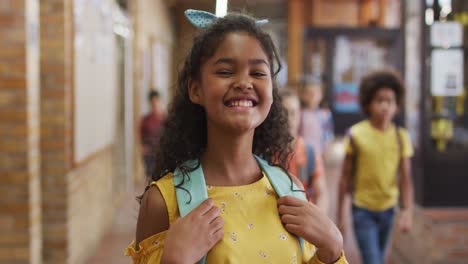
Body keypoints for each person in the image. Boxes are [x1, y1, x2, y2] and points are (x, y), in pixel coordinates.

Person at [126, 10, 347, 264]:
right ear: (195, 89)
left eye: (258, 73)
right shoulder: (163, 202)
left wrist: (331, 251)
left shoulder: (289, 189)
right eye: (225, 71)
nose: (244, 82)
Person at [337, 70, 414, 264]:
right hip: (363, 210)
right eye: (380, 100)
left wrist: (407, 211)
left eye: (390, 101)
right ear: (368, 103)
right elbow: (344, 178)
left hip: (389, 210)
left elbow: (405, 177)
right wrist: (340, 216)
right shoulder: (356, 135)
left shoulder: (401, 136)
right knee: (374, 261)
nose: (385, 106)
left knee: (378, 258)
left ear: (397, 106)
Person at [280, 89, 329, 213]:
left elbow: (321, 193)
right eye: (283, 113)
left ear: (299, 115)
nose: (288, 119)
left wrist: (318, 224)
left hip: (304, 221)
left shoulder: (309, 152)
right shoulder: (264, 153)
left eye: (293, 113)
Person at [140, 90, 166, 178]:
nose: (155, 104)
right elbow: (141, 135)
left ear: (161, 101)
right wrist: (143, 147)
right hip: (150, 155)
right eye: (152, 102)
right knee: (150, 178)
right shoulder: (146, 120)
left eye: (157, 101)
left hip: (163, 154)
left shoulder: (167, 118)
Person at [300, 82, 327, 156]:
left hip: (319, 151)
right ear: (303, 95)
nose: (313, 95)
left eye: (316, 93)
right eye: (309, 93)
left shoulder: (325, 114)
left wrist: (326, 149)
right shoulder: (300, 114)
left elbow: (328, 134)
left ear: (321, 95)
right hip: (303, 152)